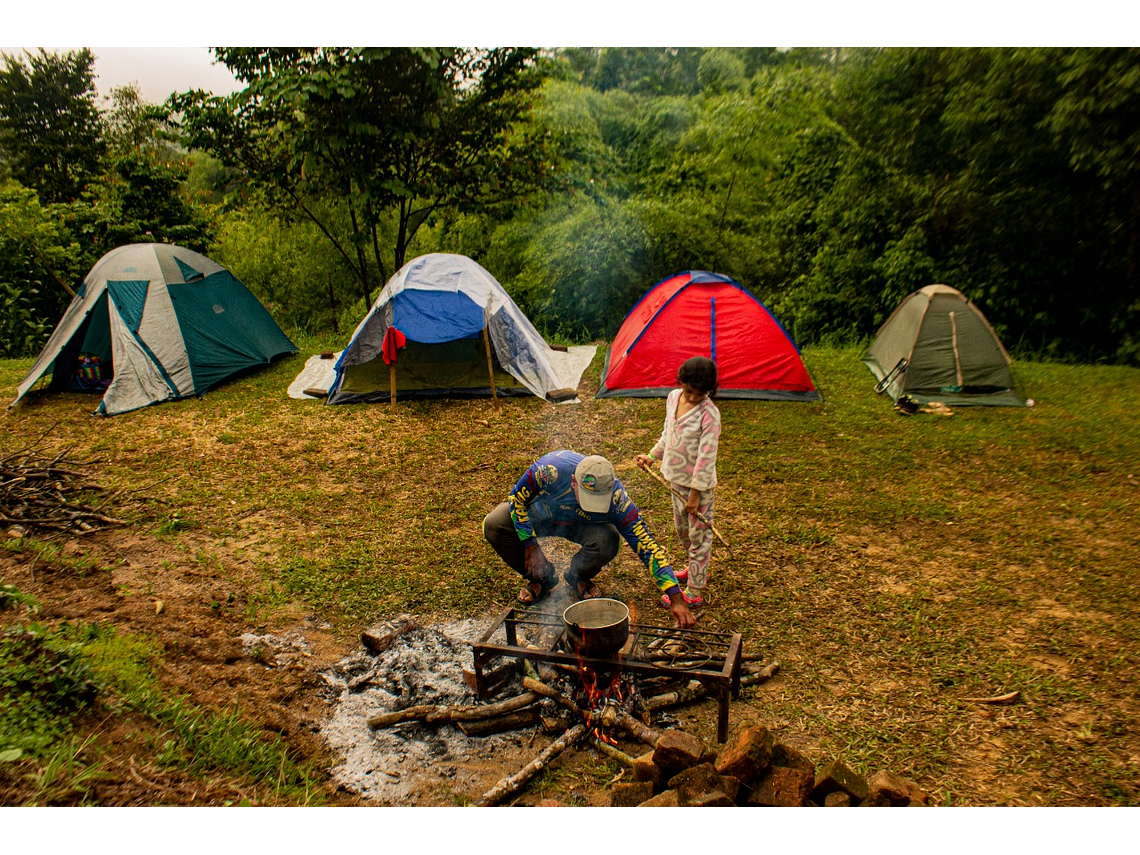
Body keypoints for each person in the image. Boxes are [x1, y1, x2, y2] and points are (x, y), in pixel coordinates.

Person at [483, 450, 696, 629]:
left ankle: (579, 578)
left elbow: (647, 546)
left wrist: (676, 596)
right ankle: (542, 579)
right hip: (541, 516)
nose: (591, 504)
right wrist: (530, 544)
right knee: (495, 523)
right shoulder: (550, 471)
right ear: (574, 481)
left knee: (608, 539)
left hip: (581, 526)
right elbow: (516, 499)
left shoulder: (618, 500)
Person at [637, 356, 721, 609]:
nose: (693, 397)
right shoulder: (673, 398)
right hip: (675, 481)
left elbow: (706, 458)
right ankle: (696, 570)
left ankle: (694, 592)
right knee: (682, 532)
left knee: (699, 537)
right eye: (689, 391)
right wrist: (652, 456)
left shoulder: (710, 415)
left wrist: (696, 493)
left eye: (700, 393)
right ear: (681, 382)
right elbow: (668, 433)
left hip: (698, 489)